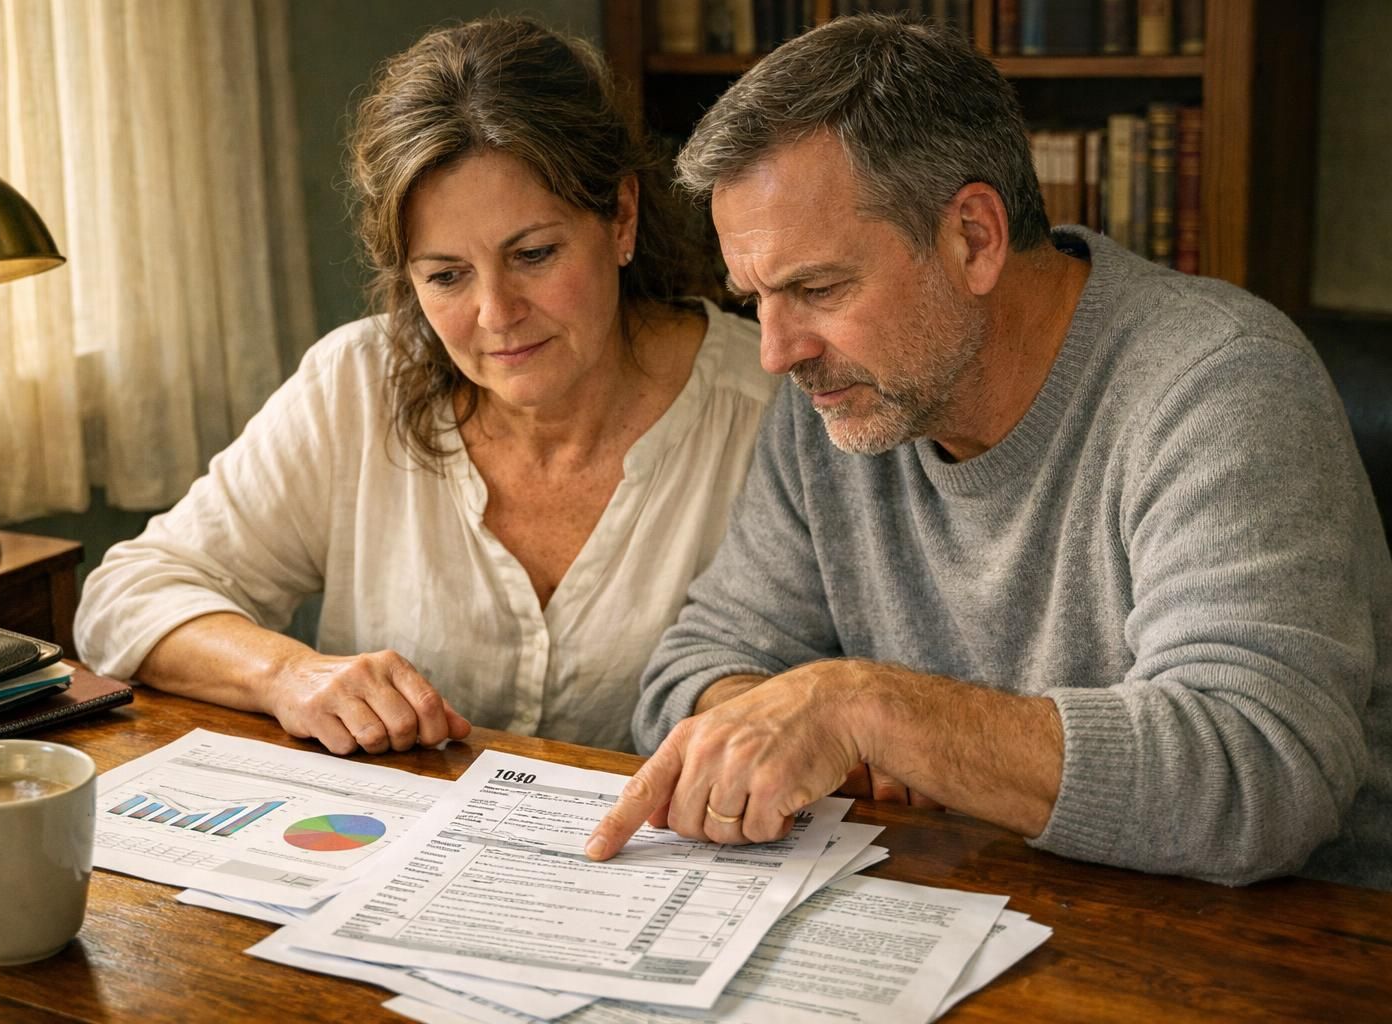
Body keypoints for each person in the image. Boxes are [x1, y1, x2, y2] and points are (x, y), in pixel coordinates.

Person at [586, 13, 1392, 889]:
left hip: (1277, 948)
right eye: (755, 299)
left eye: (817, 287)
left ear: (974, 236)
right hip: (978, 908)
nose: (778, 350)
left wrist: (869, 711)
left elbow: (1260, 778)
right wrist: (780, 729)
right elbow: (691, 672)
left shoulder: (1221, 383)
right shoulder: (840, 396)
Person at [74, 17, 774, 755]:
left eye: (534, 254)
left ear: (621, 217)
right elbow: (127, 595)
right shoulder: (356, 384)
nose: (496, 315)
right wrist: (287, 673)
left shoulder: (770, 410)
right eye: (446, 275)